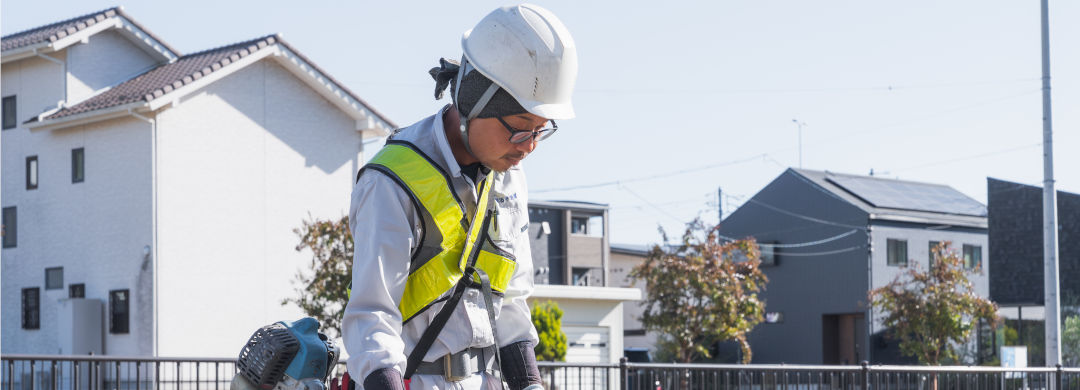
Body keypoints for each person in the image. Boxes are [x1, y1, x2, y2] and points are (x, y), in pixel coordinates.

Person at [342, 4, 578, 390]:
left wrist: (530, 383)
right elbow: (371, 315)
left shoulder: (509, 178)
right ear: (474, 100)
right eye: (520, 129)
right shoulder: (393, 181)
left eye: (540, 130)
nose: (530, 146)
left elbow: (512, 301)